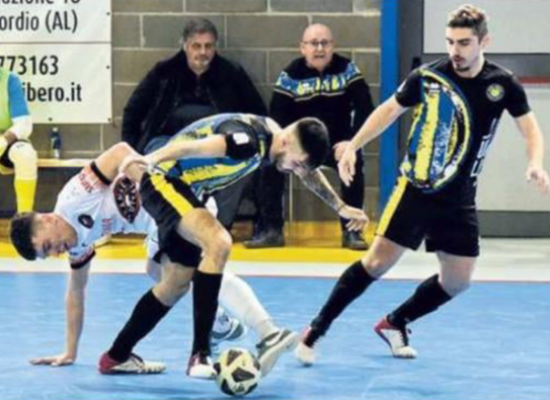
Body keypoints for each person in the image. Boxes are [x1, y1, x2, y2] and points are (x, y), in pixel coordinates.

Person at [294, 4, 550, 366]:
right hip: (416, 189)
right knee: (376, 263)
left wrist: (535, 163)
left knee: (458, 281)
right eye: (450, 42)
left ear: (484, 42)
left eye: (464, 43)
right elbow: (388, 110)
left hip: (459, 196)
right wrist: (353, 145)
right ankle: (316, 329)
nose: (455, 51)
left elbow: (530, 130)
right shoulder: (428, 78)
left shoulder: (502, 83)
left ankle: (395, 322)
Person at [9, 141, 303, 378]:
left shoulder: (76, 197)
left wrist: (154, 187)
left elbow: (120, 152)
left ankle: (266, 331)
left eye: (47, 245)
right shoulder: (75, 244)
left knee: (199, 268)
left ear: (47, 219)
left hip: (176, 201)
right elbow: (76, 291)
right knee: (157, 271)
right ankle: (219, 323)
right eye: (47, 254)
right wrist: (70, 351)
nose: (55, 252)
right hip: (156, 224)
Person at [122, 17, 267, 229]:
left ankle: (219, 227)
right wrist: (131, 151)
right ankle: (173, 225)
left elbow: (258, 113)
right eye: (196, 46)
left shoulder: (231, 73)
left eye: (208, 46)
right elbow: (133, 112)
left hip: (215, 145)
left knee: (239, 168)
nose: (202, 52)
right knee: (159, 168)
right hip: (167, 142)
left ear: (215, 47)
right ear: (185, 46)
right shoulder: (164, 73)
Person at [245, 23, 375, 250]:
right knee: (269, 163)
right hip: (300, 146)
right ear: (302, 48)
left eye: (325, 43)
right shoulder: (290, 76)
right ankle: (271, 230)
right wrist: (288, 149)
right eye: (314, 43)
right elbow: (277, 117)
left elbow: (365, 108)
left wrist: (351, 143)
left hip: (338, 145)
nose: (320, 49)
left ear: (333, 46)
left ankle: (352, 231)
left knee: (353, 162)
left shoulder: (348, 70)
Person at [0, 67, 37, 213]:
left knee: (26, 155)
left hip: (6, 141)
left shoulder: (9, 80)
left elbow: (24, 123)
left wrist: (3, 141)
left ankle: (24, 217)